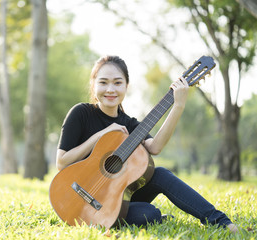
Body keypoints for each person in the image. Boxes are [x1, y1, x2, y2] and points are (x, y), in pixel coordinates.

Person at [55, 55, 238, 232]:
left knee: (159, 178)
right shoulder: (80, 113)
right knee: (151, 214)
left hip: (113, 201)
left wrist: (178, 106)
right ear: (93, 84)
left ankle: (221, 221)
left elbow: (155, 147)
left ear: (127, 86)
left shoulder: (130, 125)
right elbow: (62, 162)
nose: (110, 89)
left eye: (118, 83)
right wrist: (102, 134)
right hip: (75, 195)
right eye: (103, 82)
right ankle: (146, 217)